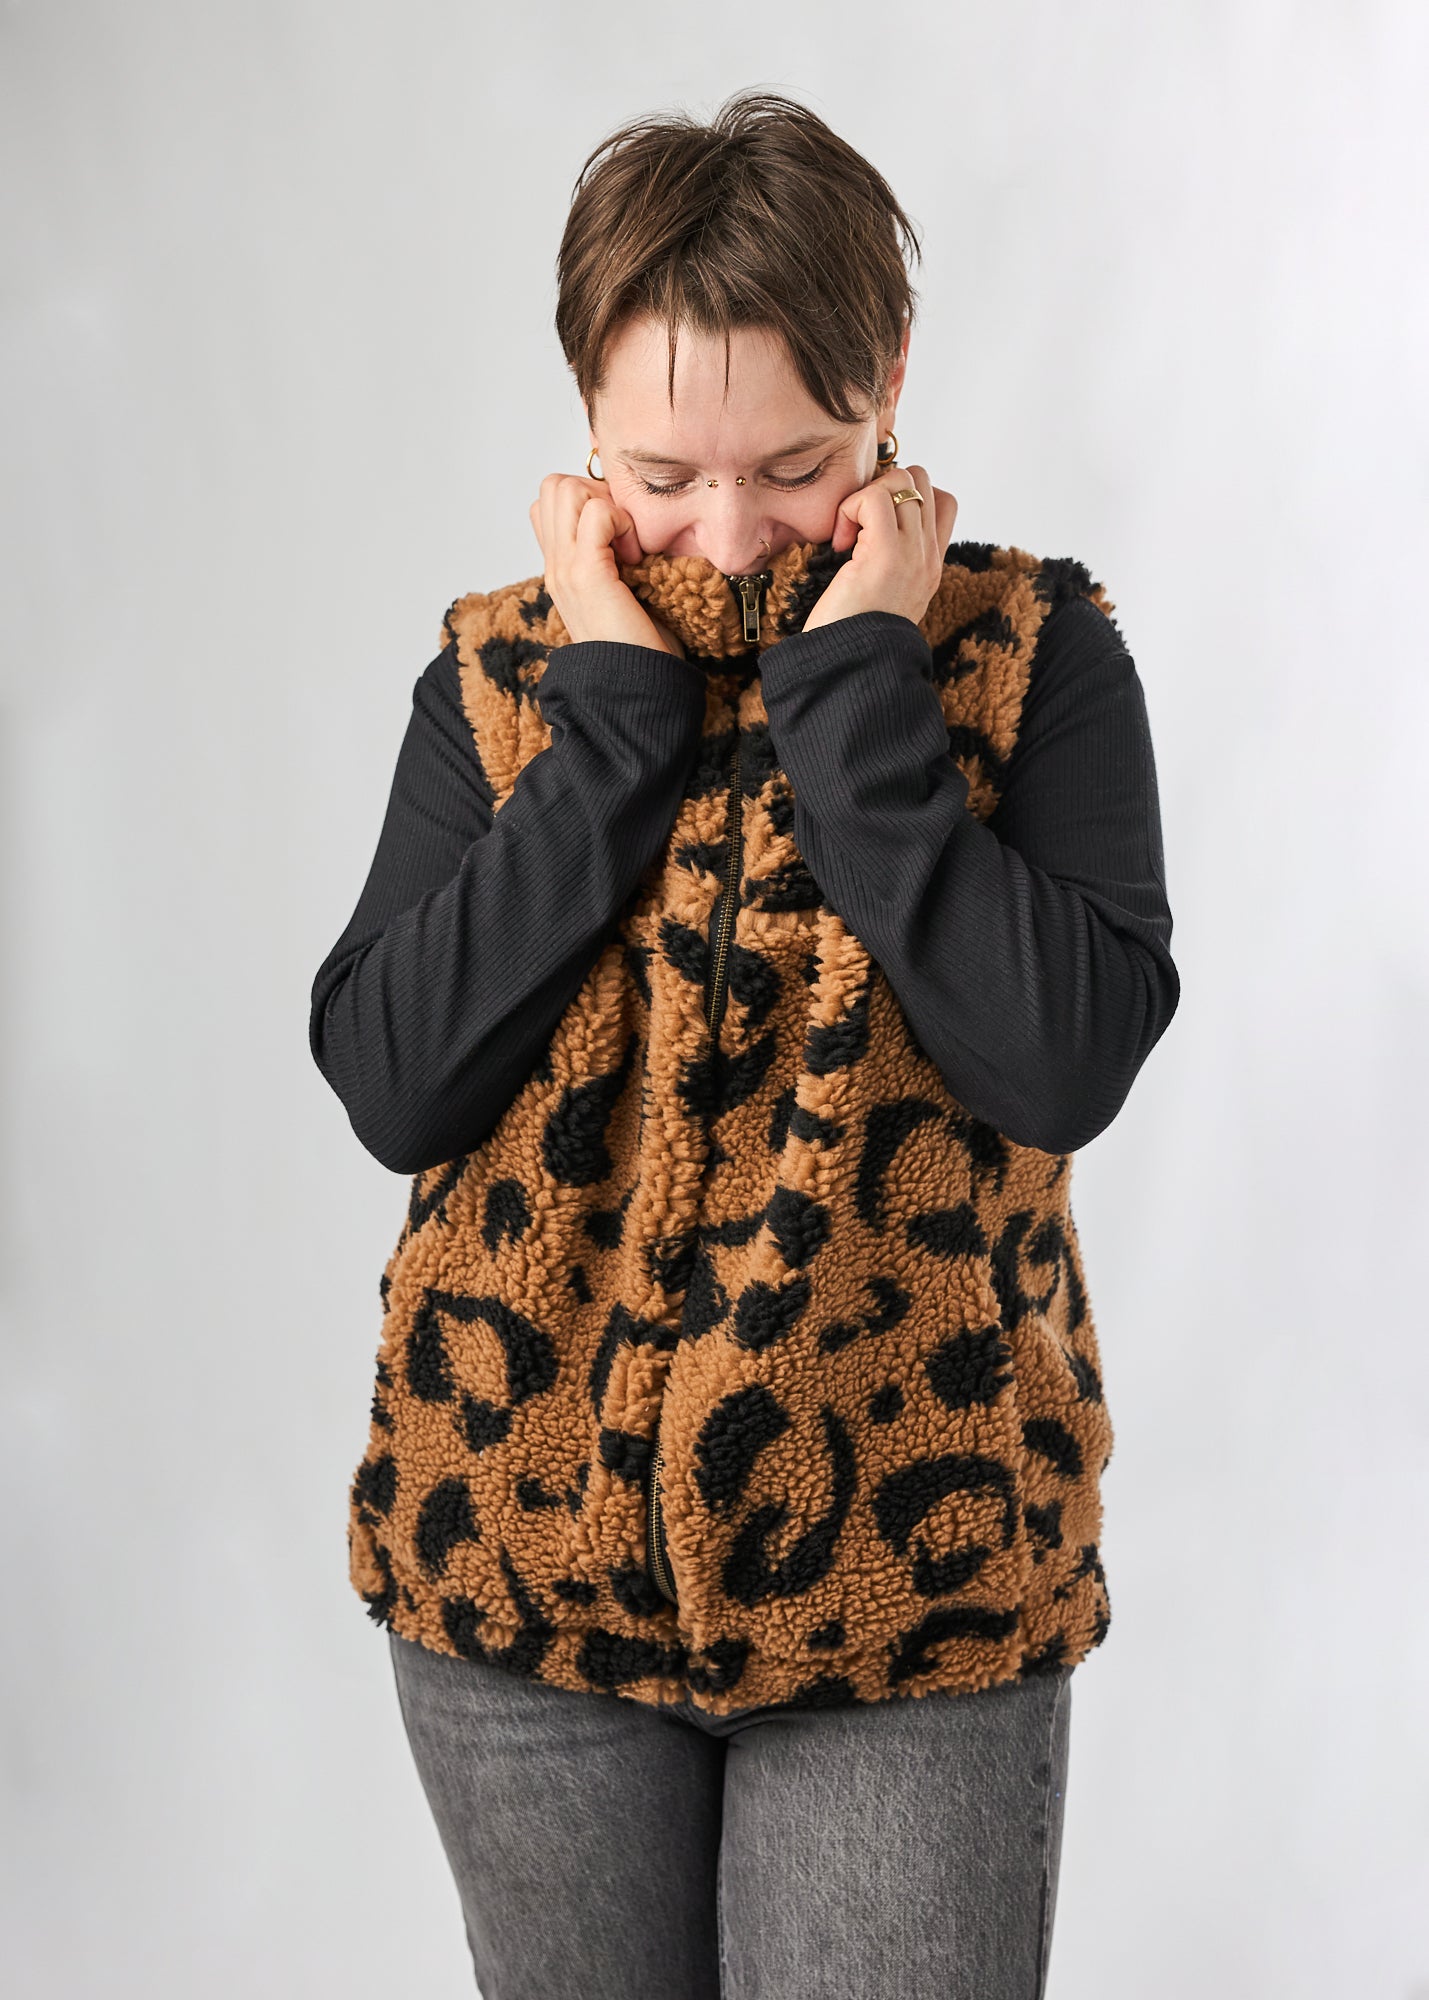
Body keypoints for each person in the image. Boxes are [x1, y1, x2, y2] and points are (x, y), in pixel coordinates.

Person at [309, 88, 1180, 2000]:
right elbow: (393, 1076)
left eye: (791, 466)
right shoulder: (503, 678)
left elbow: (1059, 1062)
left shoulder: (1025, 658)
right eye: (659, 473)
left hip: (908, 1607)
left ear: (887, 383)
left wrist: (857, 694)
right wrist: (613, 721)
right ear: (582, 422)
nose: (725, 533)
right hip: (517, 1593)